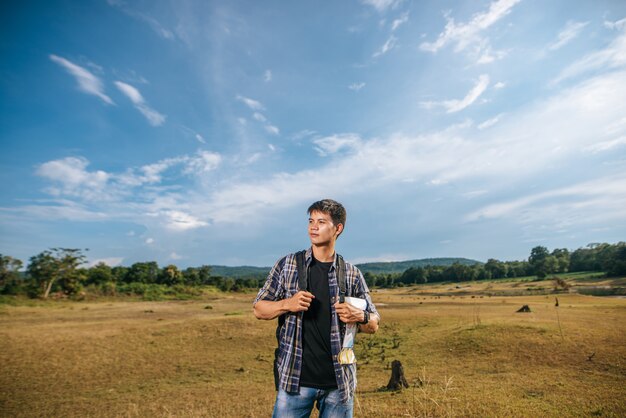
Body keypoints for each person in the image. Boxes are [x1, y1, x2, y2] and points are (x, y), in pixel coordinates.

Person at [253, 199, 380, 418]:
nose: (313, 227)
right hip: (294, 381)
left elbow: (374, 323)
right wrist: (287, 304)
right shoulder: (287, 265)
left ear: (338, 228)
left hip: (339, 385)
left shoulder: (352, 273)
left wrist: (360, 315)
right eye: (311, 221)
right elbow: (259, 309)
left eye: (321, 222)